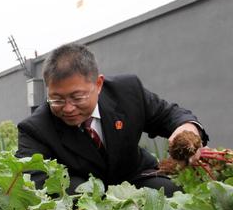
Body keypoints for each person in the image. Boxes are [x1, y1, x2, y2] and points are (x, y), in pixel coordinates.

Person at [15, 43, 208, 197]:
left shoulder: (127, 91)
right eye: (56, 99)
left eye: (77, 97)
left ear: (98, 84)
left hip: (135, 180)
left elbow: (168, 114)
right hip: (83, 198)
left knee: (172, 196)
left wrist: (188, 128)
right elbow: (37, 186)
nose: (67, 108)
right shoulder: (34, 130)